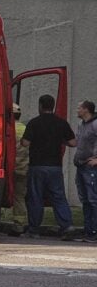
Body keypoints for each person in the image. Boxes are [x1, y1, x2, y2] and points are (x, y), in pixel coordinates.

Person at [21, 94, 76, 239]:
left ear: (40, 106)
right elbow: (73, 143)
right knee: (59, 197)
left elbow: (25, 143)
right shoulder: (61, 123)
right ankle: (67, 226)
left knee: (35, 198)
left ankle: (34, 230)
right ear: (52, 106)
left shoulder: (34, 123)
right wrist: (59, 141)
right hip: (55, 166)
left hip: (37, 166)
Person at [72, 100, 97, 242]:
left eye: (79, 108)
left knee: (93, 199)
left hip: (91, 167)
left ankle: (94, 232)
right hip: (81, 166)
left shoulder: (95, 124)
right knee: (86, 200)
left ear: (86, 110)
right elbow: (78, 142)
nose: (77, 110)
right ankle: (88, 231)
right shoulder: (81, 125)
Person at [8, 103, 28, 235]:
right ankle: (20, 224)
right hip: (24, 167)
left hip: (9, 168)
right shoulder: (25, 129)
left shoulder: (9, 129)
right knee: (19, 198)